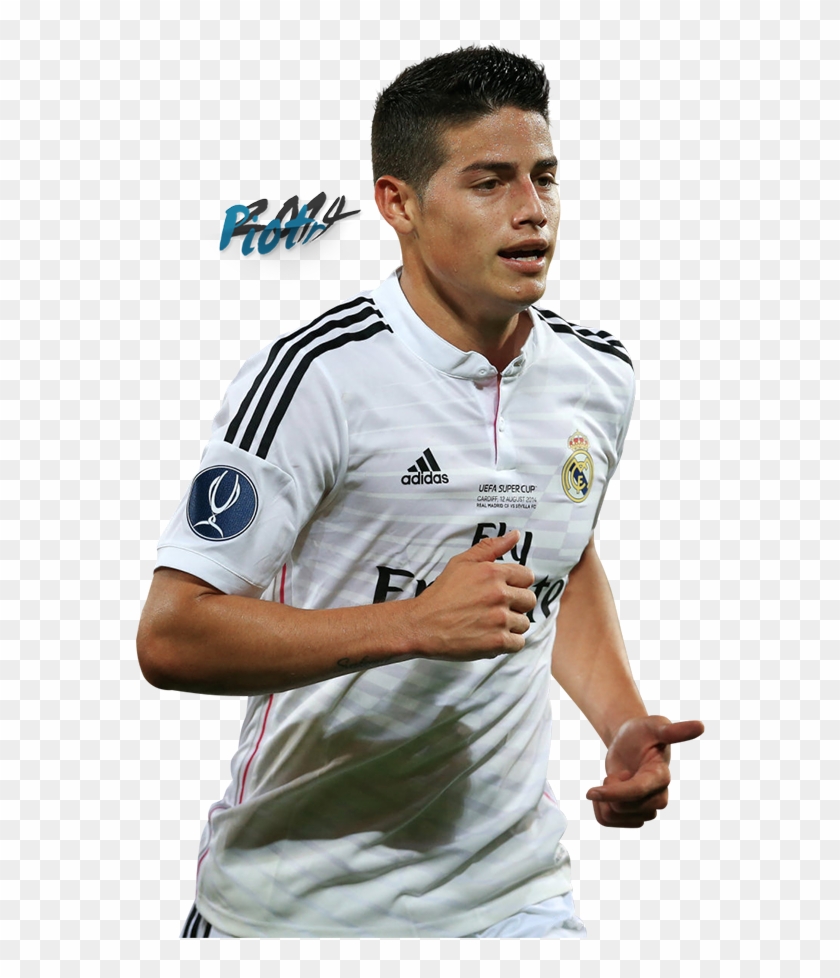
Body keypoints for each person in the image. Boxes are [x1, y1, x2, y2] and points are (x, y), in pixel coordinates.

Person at [136, 44, 704, 940]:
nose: (531, 210)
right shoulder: (318, 376)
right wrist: (412, 624)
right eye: (489, 182)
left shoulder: (599, 373)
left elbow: (560, 559)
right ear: (398, 203)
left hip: (515, 898)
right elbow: (173, 635)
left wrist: (620, 721)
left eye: (544, 177)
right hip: (299, 906)